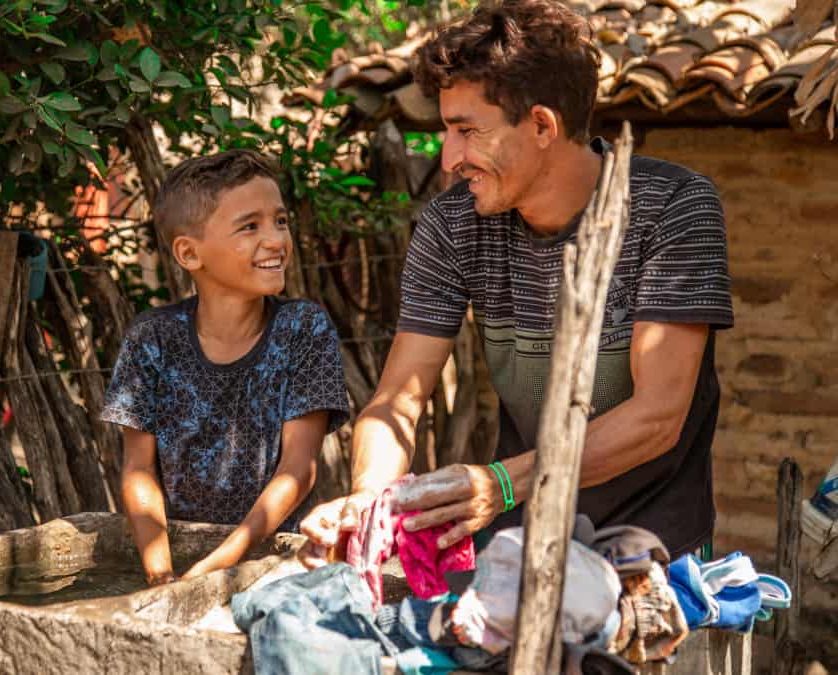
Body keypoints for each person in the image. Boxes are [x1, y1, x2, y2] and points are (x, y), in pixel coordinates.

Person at [299, 0, 733, 567]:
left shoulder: (674, 208)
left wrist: (499, 484)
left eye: (466, 131)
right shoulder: (452, 225)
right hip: (518, 547)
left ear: (541, 125)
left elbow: (657, 418)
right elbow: (398, 400)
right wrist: (368, 498)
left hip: (655, 552)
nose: (449, 158)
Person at [101, 150, 349, 585]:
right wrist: (160, 572)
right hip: (180, 556)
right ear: (189, 254)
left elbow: (299, 466)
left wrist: (224, 558)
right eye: (250, 226)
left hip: (281, 561)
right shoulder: (151, 339)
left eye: (280, 221)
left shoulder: (303, 328)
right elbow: (138, 469)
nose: (275, 240)